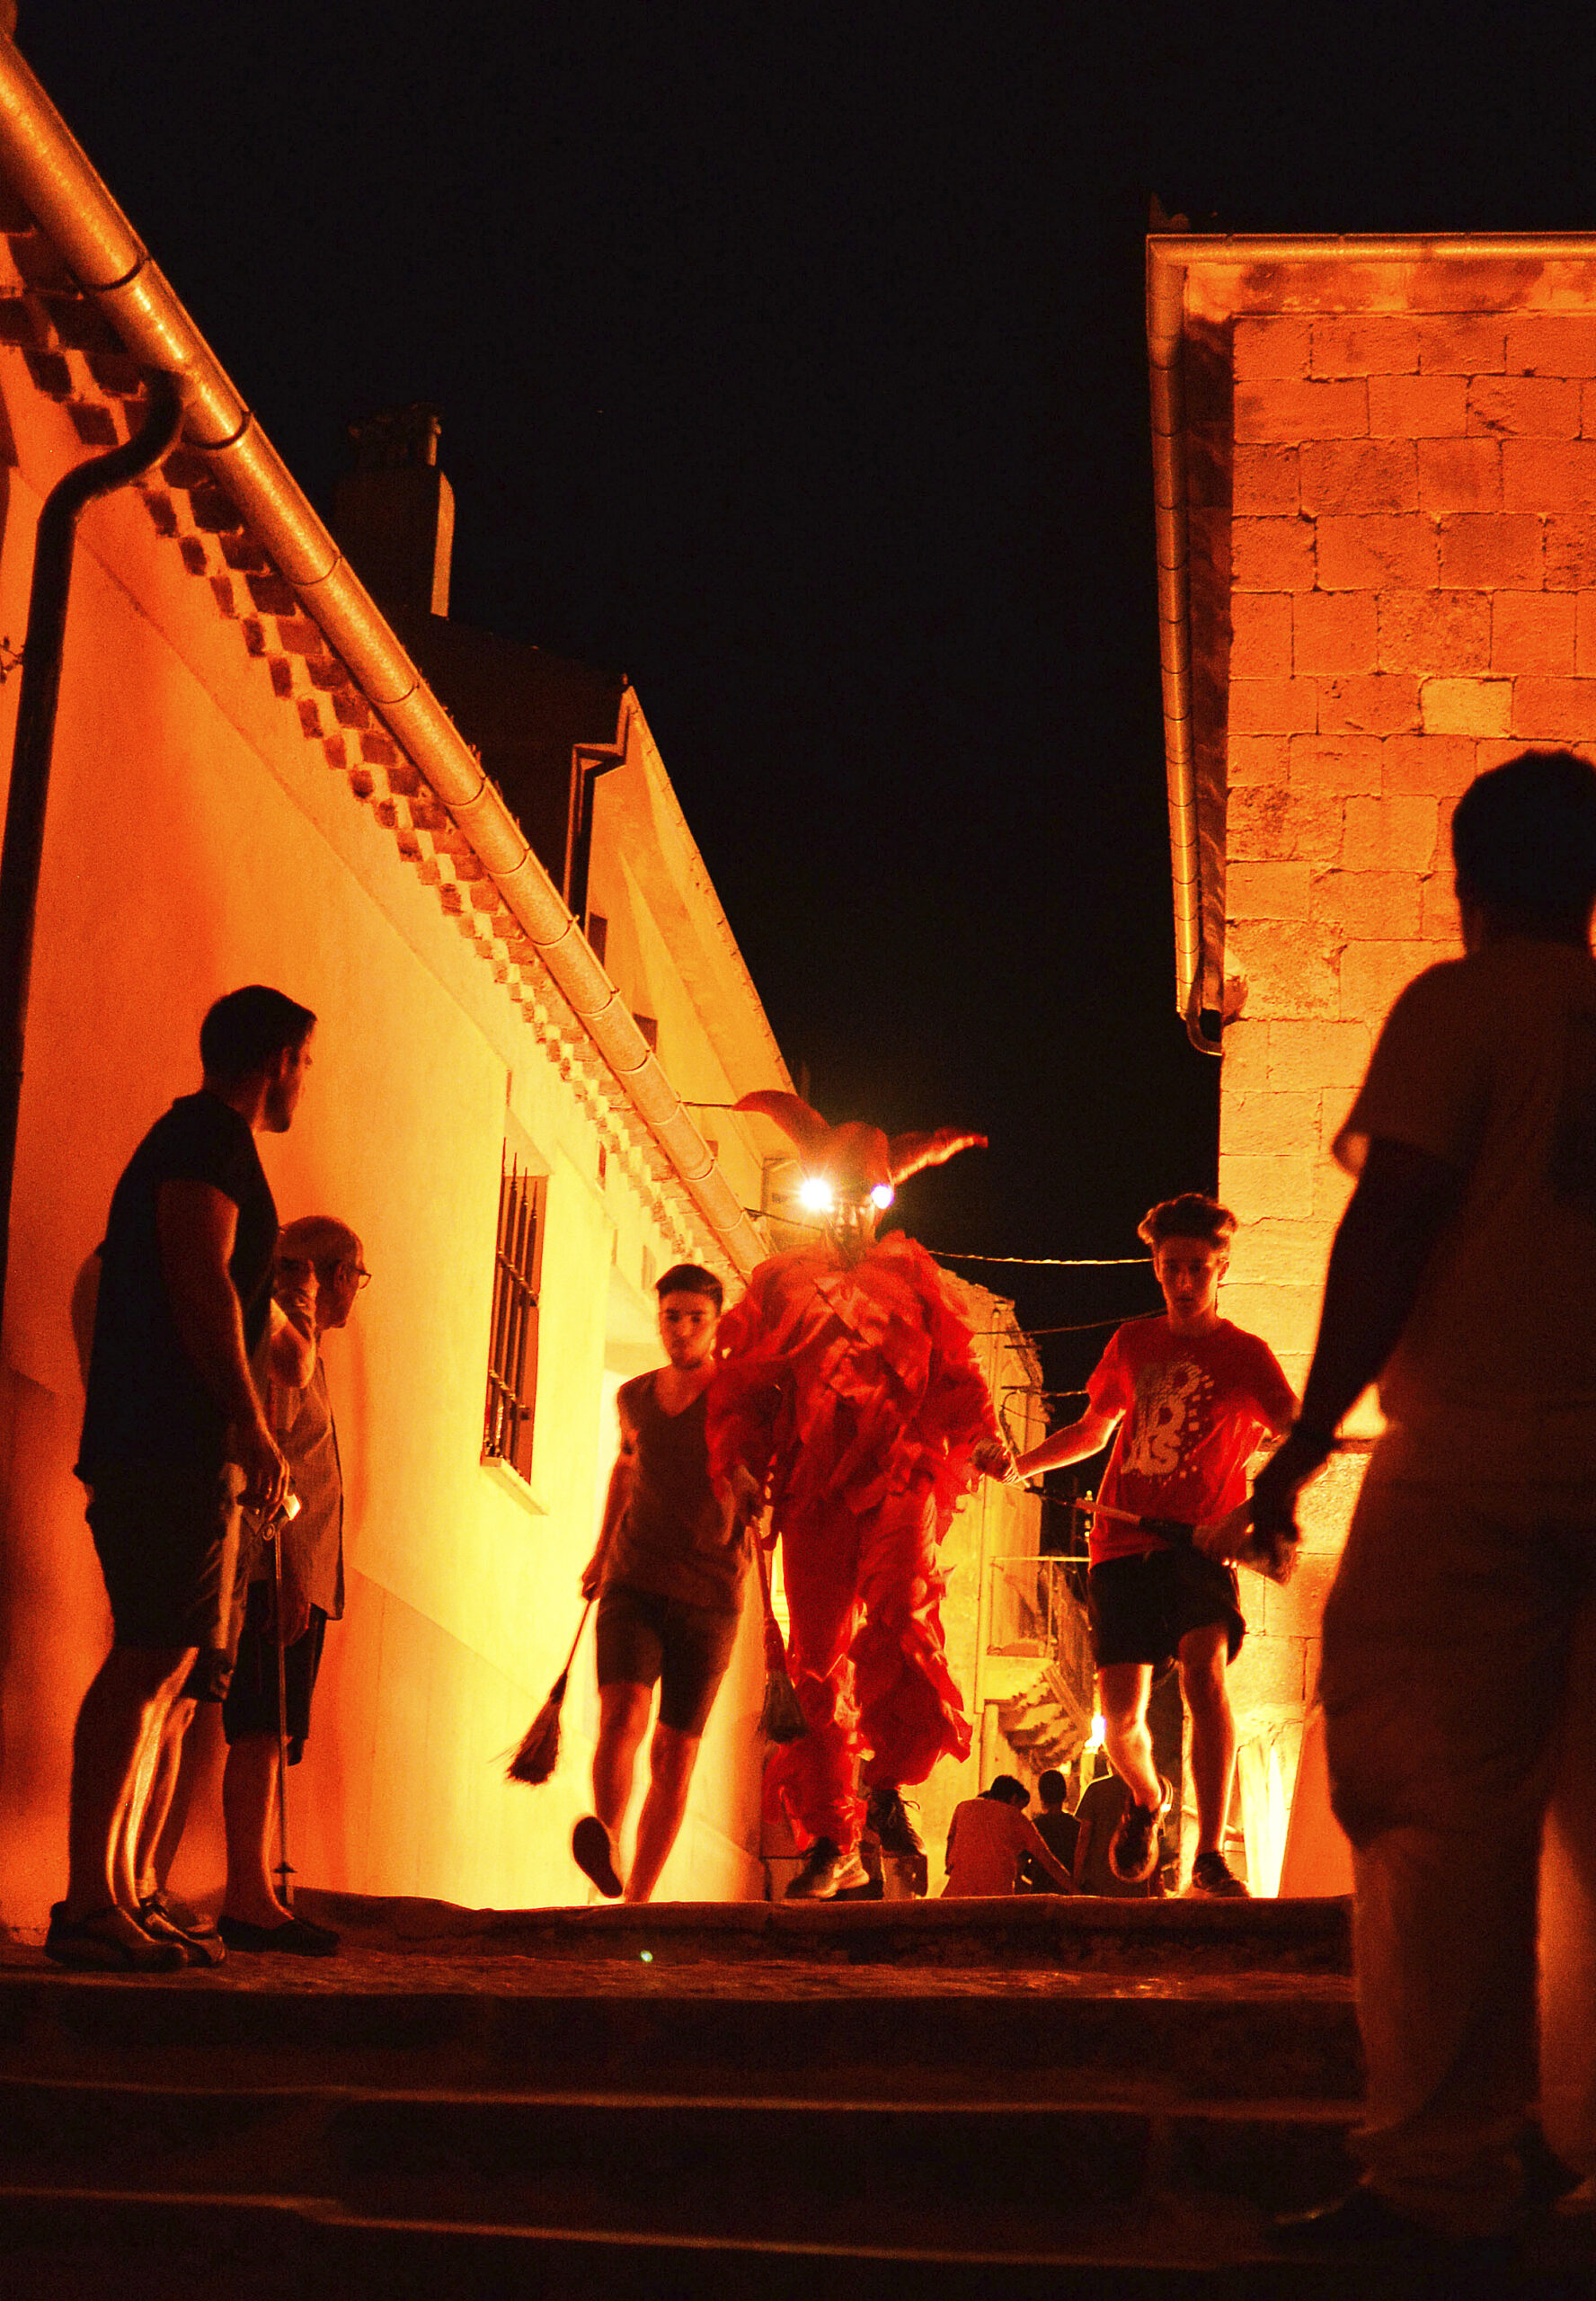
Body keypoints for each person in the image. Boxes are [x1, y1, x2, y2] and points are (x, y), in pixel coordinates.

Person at [1254, 750, 1596, 2253]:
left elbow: (1393, 1220)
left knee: (1425, 1808)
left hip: (1472, 1462)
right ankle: (1549, 2137)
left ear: (1471, 879)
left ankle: (1441, 2172)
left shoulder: (1462, 1011)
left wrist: (1305, 1434)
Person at [47, 986, 315, 1970]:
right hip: (166, 1440)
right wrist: (247, 1418)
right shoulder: (207, 1138)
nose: (305, 1083)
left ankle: (118, 1889)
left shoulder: (202, 1142)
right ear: (278, 1056)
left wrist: (277, 1333)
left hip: (171, 1442)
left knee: (168, 1668)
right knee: (150, 1656)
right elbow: (197, 1269)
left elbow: (222, 1288)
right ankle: (88, 1900)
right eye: (305, 1063)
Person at [707, 1091, 1015, 1899]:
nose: (847, 1217)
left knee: (901, 1613)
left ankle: (883, 1791)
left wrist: (982, 1433)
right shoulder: (780, 1284)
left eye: (864, 1200)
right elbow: (748, 1389)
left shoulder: (911, 1278)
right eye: (833, 1200)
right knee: (815, 1663)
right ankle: (833, 1838)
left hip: (898, 1479)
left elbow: (953, 1373)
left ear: (883, 1202)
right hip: (813, 1492)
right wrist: (740, 1462)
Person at [1016, 1195, 1295, 1897]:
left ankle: (1208, 1857)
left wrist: (1254, 1517)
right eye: (1172, 1266)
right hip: (1118, 1545)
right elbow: (1092, 1430)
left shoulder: (1246, 1356)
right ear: (1156, 1268)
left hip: (1200, 1547)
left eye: (1199, 1266)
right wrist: (1020, 1466)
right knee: (1121, 1725)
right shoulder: (1132, 1344)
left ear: (1221, 1268)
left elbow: (1300, 1434)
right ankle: (1147, 1798)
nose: (1185, 1279)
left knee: (1206, 1673)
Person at [211, 1218, 365, 1954]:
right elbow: (280, 1467)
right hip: (279, 1570)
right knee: (260, 1731)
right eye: (354, 1276)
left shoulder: (311, 1354)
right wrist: (289, 1574)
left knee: (273, 1734)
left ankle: (255, 1894)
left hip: (300, 1571)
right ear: (334, 1275)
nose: (353, 1293)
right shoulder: (282, 1354)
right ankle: (248, 1895)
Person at [572, 1265, 750, 1904]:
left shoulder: (738, 1397)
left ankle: (637, 1905)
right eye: (671, 1316)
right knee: (623, 1713)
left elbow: (767, 1471)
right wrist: (599, 1556)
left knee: (675, 1753)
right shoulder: (635, 1398)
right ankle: (608, 1838)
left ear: (717, 1324)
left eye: (695, 1318)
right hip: (634, 1576)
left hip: (711, 1593)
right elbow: (625, 1474)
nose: (681, 1330)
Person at [943, 1774, 1072, 1897]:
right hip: (995, 1901)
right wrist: (1077, 1893)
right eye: (1020, 1807)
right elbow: (1049, 1863)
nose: (1020, 1812)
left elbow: (950, 1841)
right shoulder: (1015, 1817)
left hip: (955, 1896)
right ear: (1013, 1798)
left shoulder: (963, 1808)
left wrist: (951, 1867)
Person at [1072, 1763, 1166, 1897]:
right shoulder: (1146, 1791)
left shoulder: (1096, 1789)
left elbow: (1084, 1838)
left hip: (1098, 1882)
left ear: (1111, 1761)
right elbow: (1155, 1840)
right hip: (1136, 1882)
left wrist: (1076, 1877)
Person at [1019, 1766, 1078, 1891]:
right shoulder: (1076, 1827)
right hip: (1070, 1893)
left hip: (1041, 1893)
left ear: (1041, 1795)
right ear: (1064, 1794)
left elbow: (1020, 1865)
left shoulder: (1034, 1826)